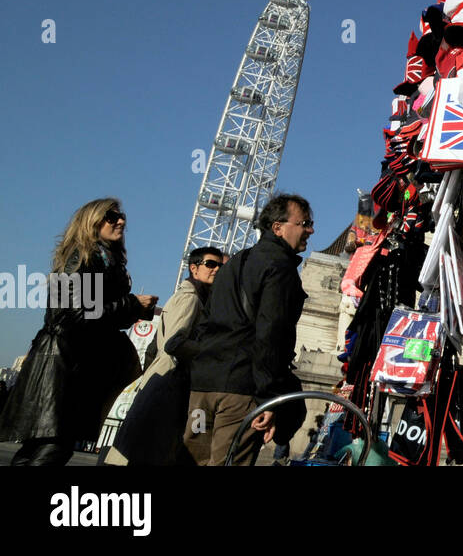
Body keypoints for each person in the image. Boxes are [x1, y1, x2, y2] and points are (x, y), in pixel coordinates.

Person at [0, 199, 158, 466]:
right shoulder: (83, 256)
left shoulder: (104, 259)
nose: (120, 221)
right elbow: (76, 313)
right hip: (60, 364)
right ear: (92, 220)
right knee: (51, 449)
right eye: (111, 216)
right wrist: (132, 304)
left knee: (44, 449)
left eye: (122, 217)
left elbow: (94, 312)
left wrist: (135, 309)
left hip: (75, 365)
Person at [183, 193, 312, 466]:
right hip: (240, 391)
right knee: (229, 461)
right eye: (304, 223)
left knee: (193, 460)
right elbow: (271, 335)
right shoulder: (280, 268)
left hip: (203, 388)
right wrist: (269, 397)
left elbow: (205, 322)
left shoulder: (235, 263)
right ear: (278, 227)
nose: (310, 229)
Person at [103, 246, 226, 466]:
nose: (216, 269)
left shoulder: (198, 298)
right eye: (210, 264)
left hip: (164, 381)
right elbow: (174, 343)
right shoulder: (190, 298)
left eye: (220, 265)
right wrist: (211, 351)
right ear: (194, 268)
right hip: (169, 382)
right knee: (148, 451)